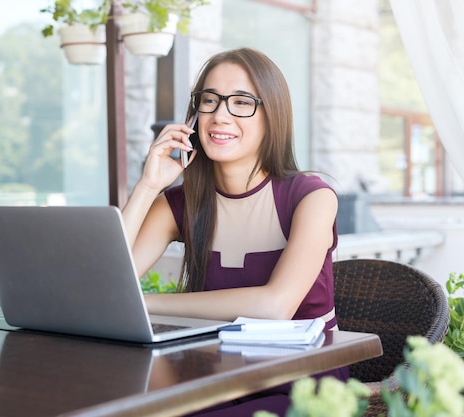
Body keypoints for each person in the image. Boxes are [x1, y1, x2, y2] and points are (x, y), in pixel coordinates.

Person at [122, 47, 346, 416]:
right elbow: (112, 285)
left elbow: (274, 306)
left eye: (241, 102)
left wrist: (139, 305)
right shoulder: (180, 202)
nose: (219, 115)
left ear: (272, 116)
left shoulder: (311, 197)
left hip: (302, 384)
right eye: (208, 101)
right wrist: (147, 187)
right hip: (216, 376)